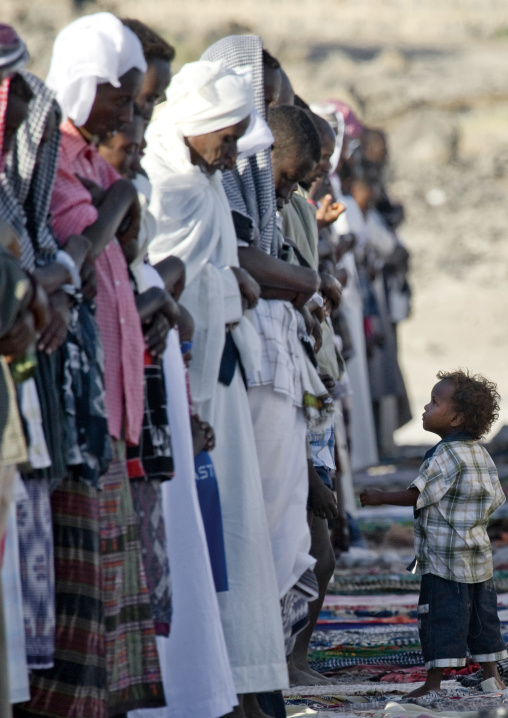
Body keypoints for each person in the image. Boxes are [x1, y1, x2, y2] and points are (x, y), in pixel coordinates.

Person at [144, 59, 287, 718]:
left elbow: (217, 269)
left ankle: (239, 682)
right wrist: (236, 286)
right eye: (223, 140)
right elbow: (162, 285)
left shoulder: (201, 186)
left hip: (219, 378)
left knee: (237, 533)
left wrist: (234, 283)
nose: (230, 156)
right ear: (196, 126)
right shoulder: (166, 187)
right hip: (185, 384)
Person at [360, 370, 507, 696]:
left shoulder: (444, 455)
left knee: (440, 618)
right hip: (478, 558)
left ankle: (433, 683)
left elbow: (419, 494)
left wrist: (380, 497)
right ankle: (491, 676)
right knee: (483, 620)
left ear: (455, 417)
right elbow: (497, 498)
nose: (425, 408)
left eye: (433, 402)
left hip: (444, 561)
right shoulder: (480, 453)